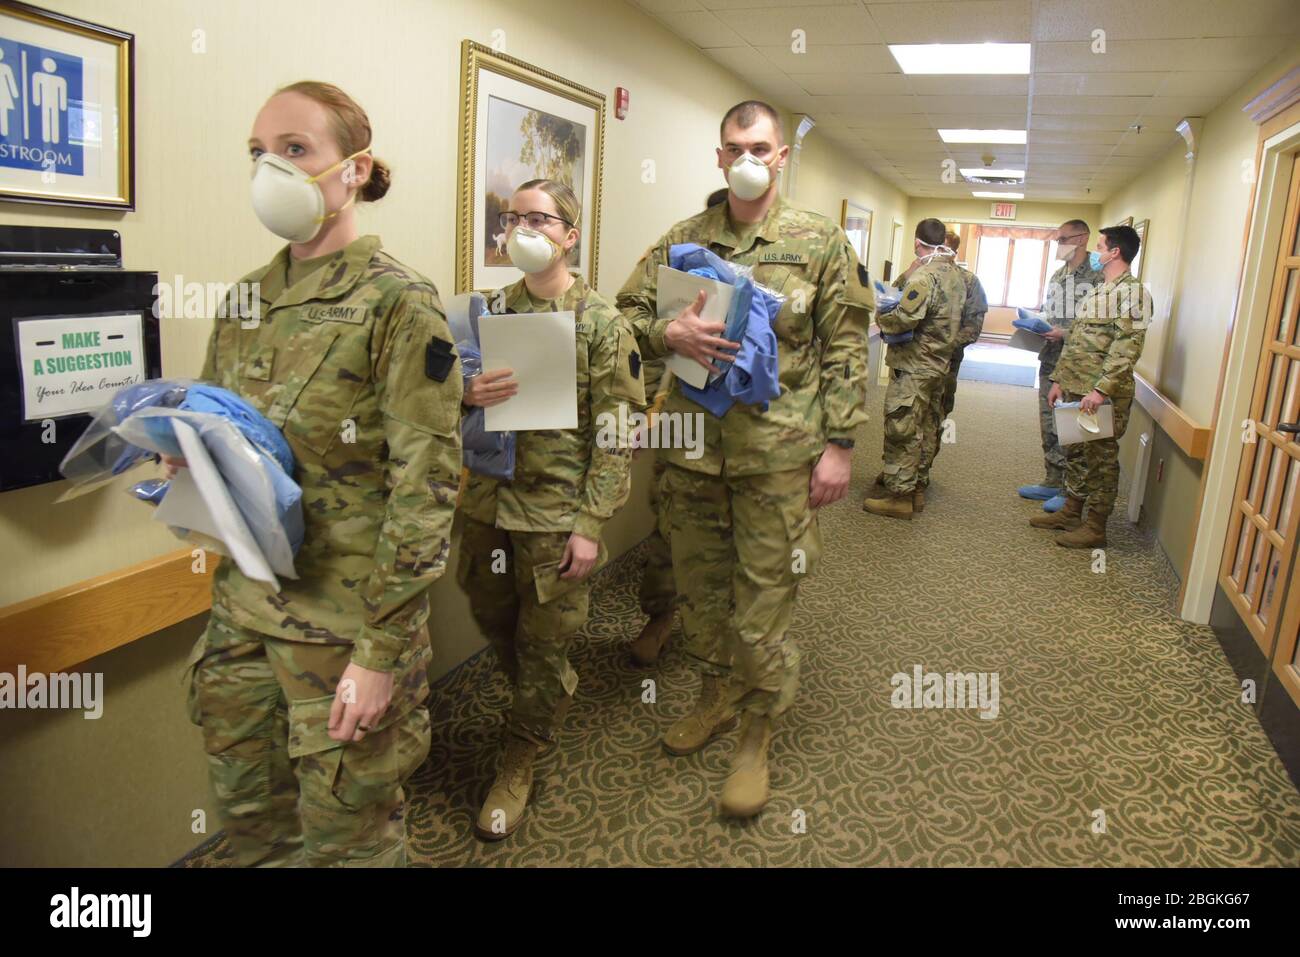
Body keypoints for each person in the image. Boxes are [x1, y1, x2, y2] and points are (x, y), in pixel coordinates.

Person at [181, 81, 463, 867]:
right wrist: (182, 453)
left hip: (345, 630)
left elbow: (427, 489)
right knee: (253, 826)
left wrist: (380, 653)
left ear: (354, 170)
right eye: (257, 153)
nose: (270, 168)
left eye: (296, 150)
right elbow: (227, 437)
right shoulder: (244, 300)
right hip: (242, 616)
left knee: (349, 844)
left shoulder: (398, 305)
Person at [617, 100, 873, 817]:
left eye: (760, 145)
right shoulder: (683, 239)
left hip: (778, 453)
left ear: (782, 154)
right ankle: (715, 698)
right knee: (701, 602)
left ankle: (756, 734)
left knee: (761, 607)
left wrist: (841, 446)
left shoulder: (819, 242)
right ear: (719, 157)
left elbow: (847, 348)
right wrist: (669, 333)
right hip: (692, 454)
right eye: (734, 146)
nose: (747, 157)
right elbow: (622, 316)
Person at [459, 179, 645, 839]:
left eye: (540, 218)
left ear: (569, 234)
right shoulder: (482, 312)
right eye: (513, 218)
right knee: (493, 619)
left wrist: (592, 526)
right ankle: (540, 700)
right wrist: (465, 391)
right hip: (484, 505)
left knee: (543, 648)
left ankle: (520, 757)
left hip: (555, 514)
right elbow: (439, 401)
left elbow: (618, 430)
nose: (523, 229)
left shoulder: (600, 320)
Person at [628, 187, 728, 667]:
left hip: (751, 433)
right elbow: (639, 337)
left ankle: (723, 631)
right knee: (670, 526)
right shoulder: (675, 265)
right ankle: (661, 617)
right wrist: (642, 410)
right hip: (682, 423)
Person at [1031, 224, 1150, 548]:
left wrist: (1100, 391)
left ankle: (1096, 527)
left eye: (1100, 247)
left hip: (1101, 395)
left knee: (1100, 458)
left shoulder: (1133, 294)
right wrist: (1058, 379)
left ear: (1115, 252)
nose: (1096, 253)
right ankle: (1071, 511)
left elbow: (1127, 348)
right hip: (1075, 387)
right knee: (1077, 453)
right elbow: (1078, 342)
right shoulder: (1100, 290)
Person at [863, 218, 966, 520]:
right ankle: (917, 484)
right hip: (939, 364)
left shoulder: (924, 277)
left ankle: (900, 496)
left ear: (918, 244)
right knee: (927, 425)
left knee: (903, 427)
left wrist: (882, 320)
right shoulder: (956, 276)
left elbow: (904, 318)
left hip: (914, 365)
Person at [1019, 219, 1104, 511]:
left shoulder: (1098, 275)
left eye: (1062, 239)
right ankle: (1052, 480)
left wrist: (1063, 333)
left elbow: (1098, 327)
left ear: (1081, 238)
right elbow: (1052, 312)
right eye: (1056, 239)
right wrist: (1038, 324)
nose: (1059, 245)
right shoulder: (1058, 275)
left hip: (1081, 366)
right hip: (1051, 360)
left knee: (1072, 429)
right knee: (1049, 423)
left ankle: (1071, 492)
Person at [918, 229, 987, 494]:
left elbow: (973, 328)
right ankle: (899, 470)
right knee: (905, 416)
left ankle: (921, 476)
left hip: (945, 364)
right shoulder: (922, 274)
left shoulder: (969, 281)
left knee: (935, 418)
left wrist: (941, 345)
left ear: (951, 250)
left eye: (941, 247)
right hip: (913, 363)